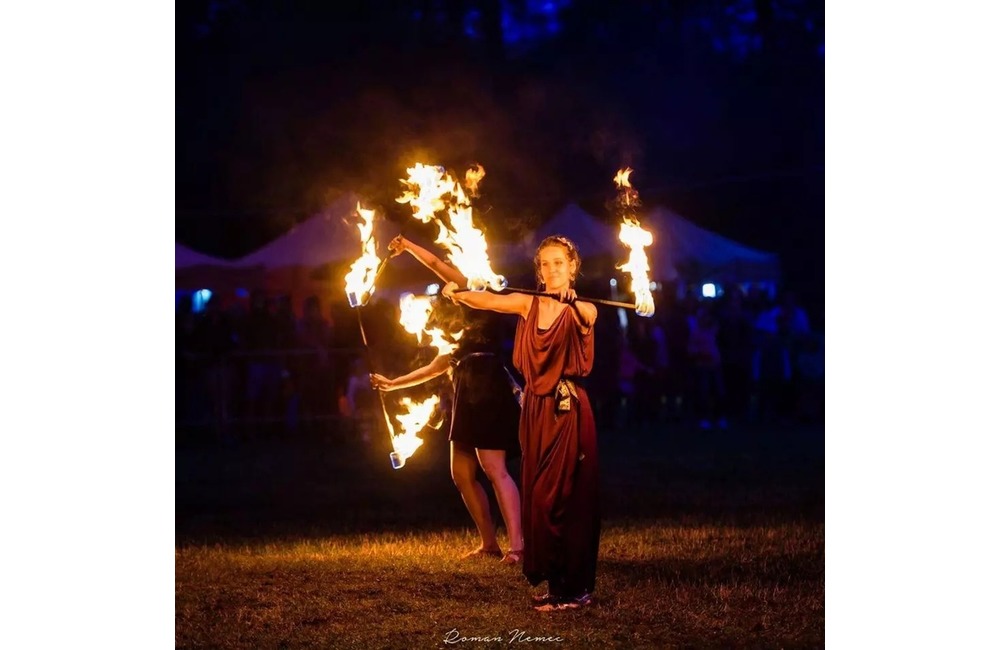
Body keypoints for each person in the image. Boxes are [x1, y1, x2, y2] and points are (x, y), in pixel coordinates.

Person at [442, 234, 599, 612]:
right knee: (538, 495)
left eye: (559, 263)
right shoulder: (529, 304)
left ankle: (574, 589)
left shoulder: (583, 307)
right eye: (545, 264)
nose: (551, 269)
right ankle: (559, 583)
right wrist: (458, 294)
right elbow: (490, 300)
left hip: (566, 410)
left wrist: (572, 303)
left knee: (559, 496)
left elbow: (588, 316)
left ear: (573, 267)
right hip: (535, 411)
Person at [370, 236, 524, 565]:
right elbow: (437, 365)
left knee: (494, 469)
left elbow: (436, 264)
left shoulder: (480, 294)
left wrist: (409, 246)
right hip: (465, 393)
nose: (448, 278)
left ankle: (518, 546)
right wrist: (393, 384)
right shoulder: (455, 318)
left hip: (487, 386)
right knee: (461, 473)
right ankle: (489, 544)